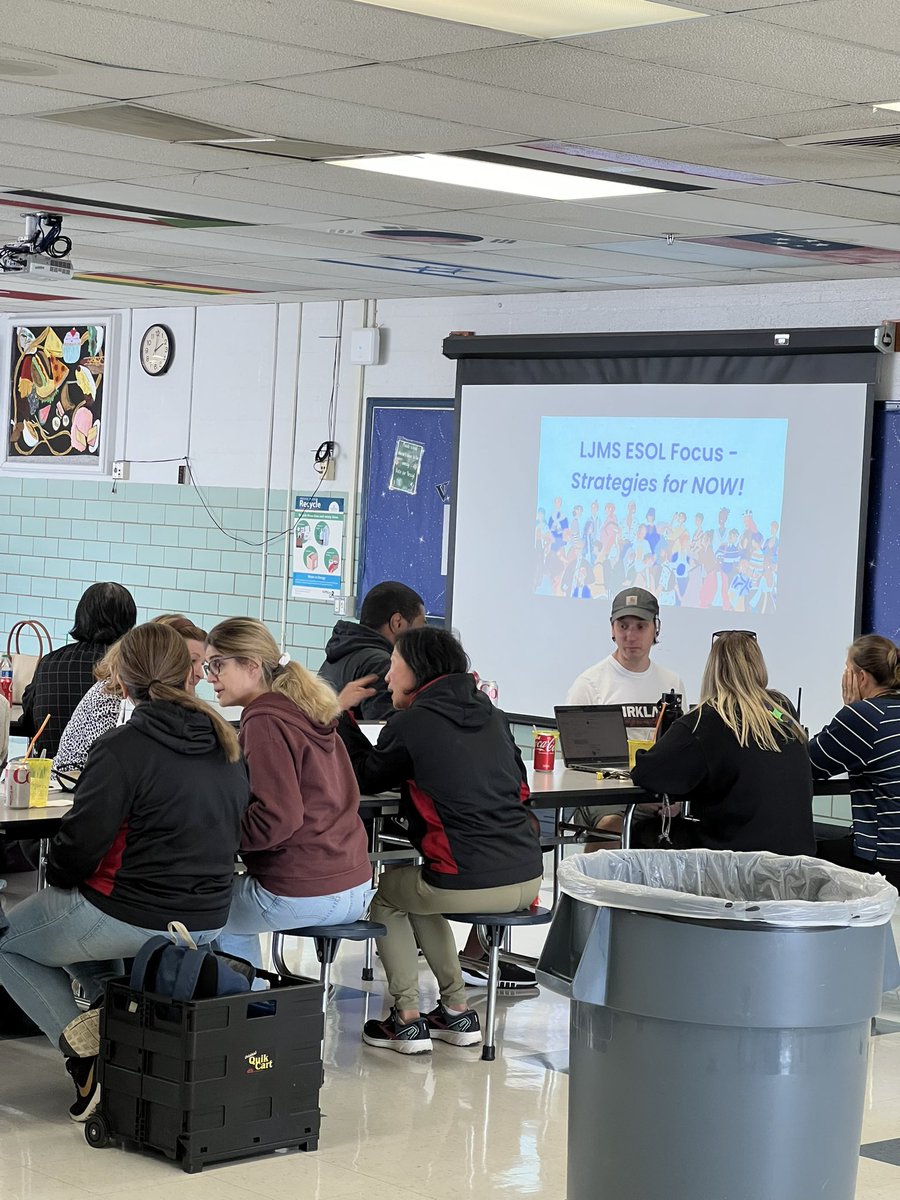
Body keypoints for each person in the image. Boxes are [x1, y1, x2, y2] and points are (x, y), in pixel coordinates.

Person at [0, 623, 248, 1122]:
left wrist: (64, 879)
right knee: (77, 932)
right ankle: (112, 1026)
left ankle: (88, 1053)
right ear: (189, 675)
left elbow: (78, 849)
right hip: (210, 916)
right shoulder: (228, 744)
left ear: (123, 678)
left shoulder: (121, 747)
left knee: (7, 941)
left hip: (133, 910)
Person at [337, 627, 543, 1054]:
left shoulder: (412, 723)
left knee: (388, 899)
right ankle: (455, 1010)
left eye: (393, 668)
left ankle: (407, 1016)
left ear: (416, 671)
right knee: (417, 889)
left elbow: (364, 776)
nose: (388, 679)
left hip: (469, 880)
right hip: (529, 877)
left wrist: (340, 715)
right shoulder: (492, 714)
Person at [202, 618, 373, 967]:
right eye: (207, 666)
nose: (209, 677)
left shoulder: (263, 718)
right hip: (355, 883)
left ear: (251, 665)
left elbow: (278, 815)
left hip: (306, 888)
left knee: (205, 909)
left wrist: (219, 836)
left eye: (218, 664)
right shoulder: (309, 711)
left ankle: (248, 1007)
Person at [630, 631, 815, 855]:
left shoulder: (706, 719)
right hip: (797, 859)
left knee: (643, 831)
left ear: (713, 669)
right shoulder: (781, 710)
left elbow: (648, 772)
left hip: (735, 859)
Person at [565, 587, 686, 845]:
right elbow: (573, 761)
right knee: (613, 828)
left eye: (640, 626)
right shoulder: (589, 683)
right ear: (612, 629)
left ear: (656, 629)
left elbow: (680, 753)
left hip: (654, 795)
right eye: (623, 626)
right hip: (604, 798)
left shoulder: (672, 682)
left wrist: (672, 801)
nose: (631, 635)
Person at [53, 614, 207, 773]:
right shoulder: (111, 694)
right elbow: (110, 765)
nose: (201, 674)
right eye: (191, 661)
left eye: (203, 664)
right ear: (160, 657)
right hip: (67, 788)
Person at [808, 635, 900, 889]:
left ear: (860, 677)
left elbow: (809, 764)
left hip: (885, 861)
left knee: (801, 859)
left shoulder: (866, 716)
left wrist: (850, 709)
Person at [16, 582, 137, 758]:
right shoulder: (127, 669)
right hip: (102, 776)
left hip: (48, 776)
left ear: (81, 616)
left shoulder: (48, 663)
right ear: (129, 623)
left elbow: (28, 720)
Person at [319, 581, 425, 719]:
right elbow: (386, 730)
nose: (422, 638)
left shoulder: (341, 651)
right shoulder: (381, 664)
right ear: (397, 622)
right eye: (420, 628)